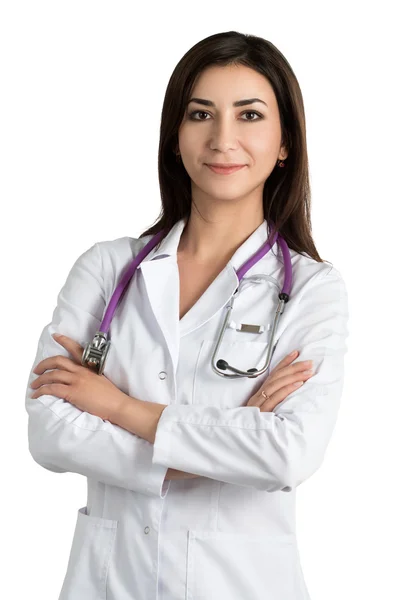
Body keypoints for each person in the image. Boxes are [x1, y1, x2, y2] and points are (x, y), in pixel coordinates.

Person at [25, 30, 349, 600]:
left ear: (284, 143)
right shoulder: (106, 269)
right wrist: (217, 448)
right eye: (201, 114)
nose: (223, 138)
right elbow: (50, 433)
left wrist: (116, 406)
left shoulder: (313, 290)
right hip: (110, 581)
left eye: (249, 115)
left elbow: (287, 453)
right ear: (175, 137)